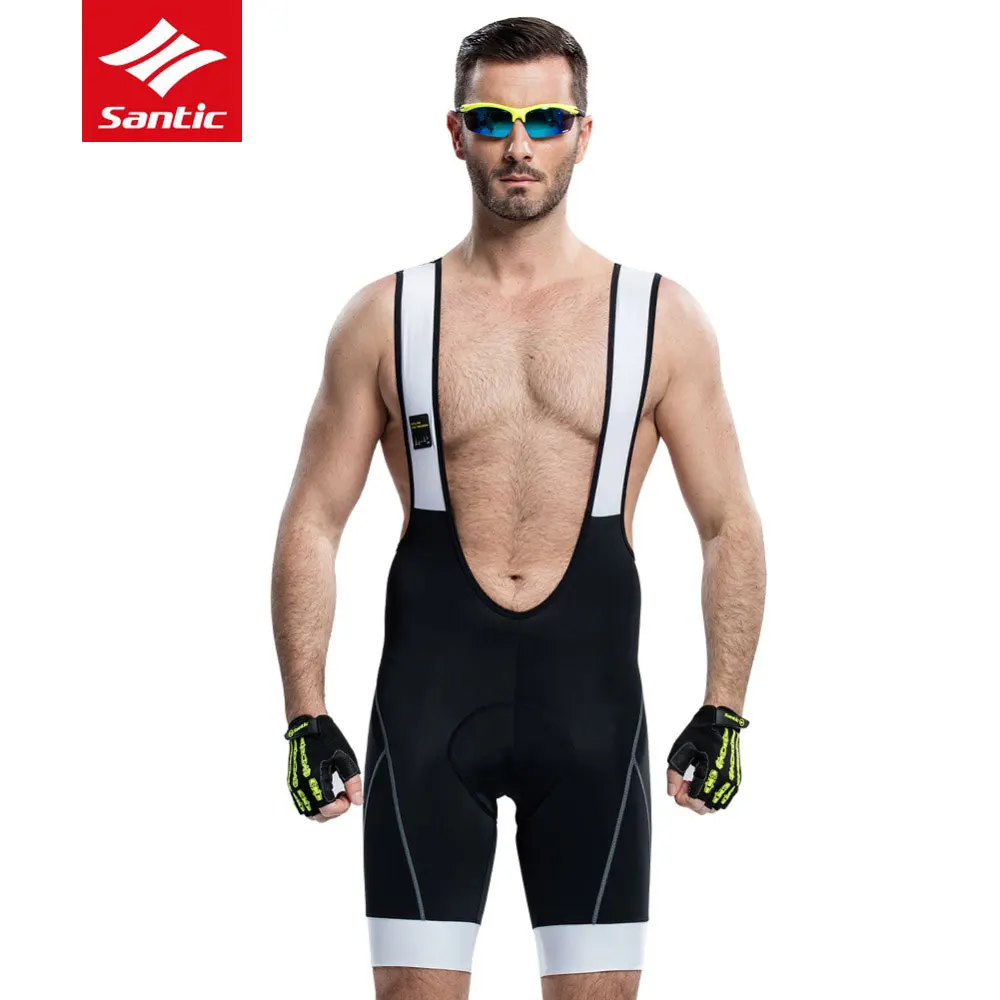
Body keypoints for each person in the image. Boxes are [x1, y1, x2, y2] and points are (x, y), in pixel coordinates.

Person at [271, 15, 765, 1000]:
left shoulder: (659, 316)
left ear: (584, 133)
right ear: (456, 132)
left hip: (591, 709)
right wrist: (303, 714)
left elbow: (728, 524)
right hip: (427, 707)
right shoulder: (385, 317)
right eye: (494, 119)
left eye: (545, 119)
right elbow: (313, 521)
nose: (519, 144)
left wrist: (726, 708)